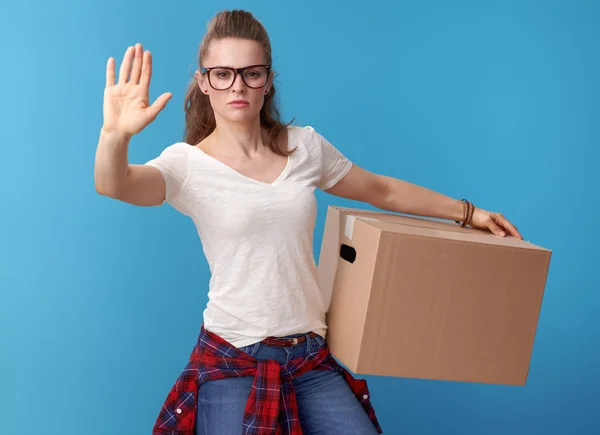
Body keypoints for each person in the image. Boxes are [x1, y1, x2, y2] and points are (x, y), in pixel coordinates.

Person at [94, 9, 522, 435]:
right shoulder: (186, 165)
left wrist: (468, 212)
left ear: (269, 79)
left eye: (251, 73)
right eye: (222, 73)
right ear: (205, 82)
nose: (238, 85)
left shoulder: (304, 148)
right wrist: (115, 135)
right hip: (234, 355)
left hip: (309, 355)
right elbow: (116, 185)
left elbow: (380, 190)